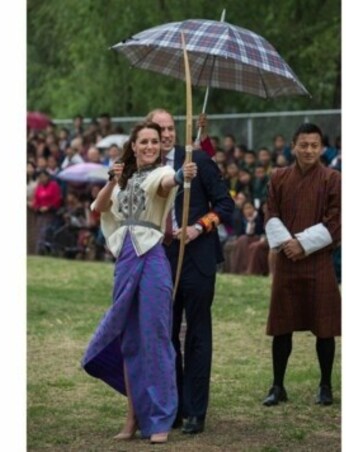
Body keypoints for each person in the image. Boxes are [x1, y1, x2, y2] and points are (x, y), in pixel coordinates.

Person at [81, 121, 197, 445]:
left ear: (161, 146)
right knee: (129, 340)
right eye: (143, 141)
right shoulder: (124, 178)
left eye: (155, 142)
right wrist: (111, 180)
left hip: (153, 259)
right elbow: (99, 208)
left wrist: (181, 175)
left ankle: (160, 417)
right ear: (133, 145)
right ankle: (132, 416)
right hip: (125, 262)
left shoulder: (162, 174)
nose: (149, 146)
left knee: (156, 336)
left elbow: (165, 183)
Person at [147, 108, 234, 435]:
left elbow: (225, 205)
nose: (166, 134)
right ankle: (175, 407)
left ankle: (197, 410)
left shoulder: (197, 160)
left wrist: (199, 226)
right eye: (159, 129)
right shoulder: (144, 166)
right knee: (166, 334)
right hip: (159, 261)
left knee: (197, 333)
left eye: (170, 128)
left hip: (197, 259)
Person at [261, 123, 341, 407]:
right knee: (282, 325)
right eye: (304, 145)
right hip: (287, 260)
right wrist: (287, 243)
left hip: (318, 261)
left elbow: (336, 220)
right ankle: (277, 385)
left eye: (314, 145)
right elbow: (270, 211)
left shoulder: (333, 179)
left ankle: (325, 385)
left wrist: (304, 244)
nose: (309, 150)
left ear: (322, 148)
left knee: (325, 327)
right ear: (293, 146)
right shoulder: (279, 177)